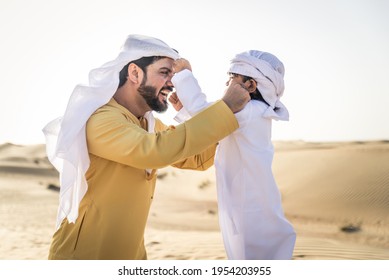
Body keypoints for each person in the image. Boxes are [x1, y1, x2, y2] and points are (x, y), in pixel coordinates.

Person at [42, 34, 251, 260]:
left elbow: (199, 159)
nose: (172, 82)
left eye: (174, 75)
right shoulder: (101, 120)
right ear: (134, 73)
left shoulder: (148, 124)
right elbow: (155, 152)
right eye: (164, 72)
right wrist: (225, 107)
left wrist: (191, 111)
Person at [169, 50, 296, 259]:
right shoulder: (252, 113)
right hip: (244, 201)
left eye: (231, 79)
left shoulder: (250, 111)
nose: (226, 86)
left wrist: (184, 75)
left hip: (251, 206)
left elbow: (204, 112)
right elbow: (211, 127)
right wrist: (184, 110)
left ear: (250, 86)